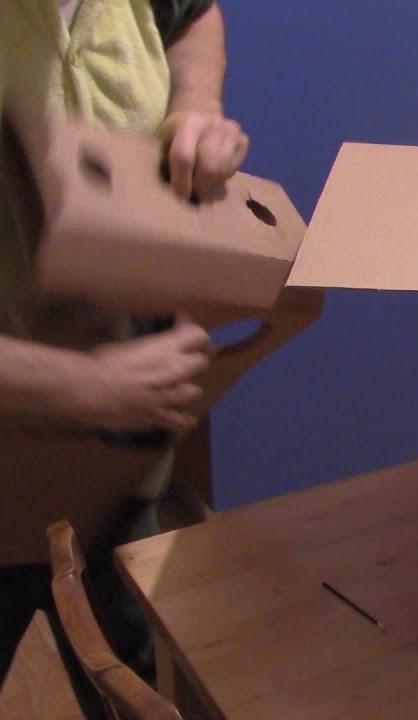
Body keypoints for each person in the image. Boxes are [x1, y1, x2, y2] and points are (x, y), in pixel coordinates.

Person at [0, 0, 249, 685]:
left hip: (114, 478)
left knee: (136, 680)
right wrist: (81, 387)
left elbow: (194, 15)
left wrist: (195, 103)